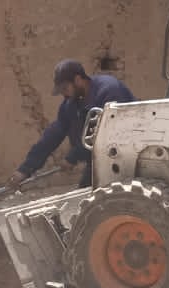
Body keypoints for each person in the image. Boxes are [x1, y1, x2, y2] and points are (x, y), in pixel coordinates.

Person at [7, 59, 136, 191]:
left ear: (78, 80)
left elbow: (103, 133)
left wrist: (72, 158)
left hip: (126, 157)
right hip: (99, 161)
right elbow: (53, 135)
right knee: (85, 196)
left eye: (65, 88)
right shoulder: (71, 104)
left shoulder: (109, 90)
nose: (64, 94)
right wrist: (25, 170)